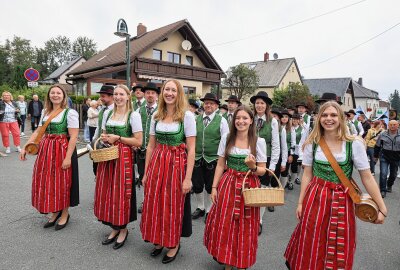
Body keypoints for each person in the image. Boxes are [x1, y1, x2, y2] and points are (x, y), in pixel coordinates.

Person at [284, 101, 387, 270]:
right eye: (324, 115)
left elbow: (367, 177)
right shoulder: (313, 142)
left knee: (339, 241)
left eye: (333, 115)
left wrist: (382, 208)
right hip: (316, 197)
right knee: (312, 240)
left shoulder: (353, 144)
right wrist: (301, 202)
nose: (328, 119)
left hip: (342, 199)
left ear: (340, 118)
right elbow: (307, 174)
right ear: (319, 119)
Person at [204, 106, 267, 270]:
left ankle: (241, 260)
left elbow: (262, 171)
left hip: (249, 187)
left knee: (245, 226)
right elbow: (219, 165)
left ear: (251, 120)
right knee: (226, 223)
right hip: (228, 184)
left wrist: (253, 167)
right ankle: (227, 260)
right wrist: (214, 187)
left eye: (245, 118)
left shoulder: (258, 142)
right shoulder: (227, 138)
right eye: (238, 118)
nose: (241, 121)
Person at [140, 79, 195, 264]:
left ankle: (173, 243)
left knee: (172, 204)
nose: (169, 93)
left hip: (176, 165)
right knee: (155, 201)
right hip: (157, 162)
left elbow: (192, 149)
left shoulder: (187, 116)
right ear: (162, 92)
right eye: (166, 90)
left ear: (179, 94)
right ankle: (158, 239)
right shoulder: (157, 114)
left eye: (173, 90)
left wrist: (188, 178)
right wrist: (146, 173)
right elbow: (150, 146)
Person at [20, 84, 80, 230]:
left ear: (63, 96)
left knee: (63, 182)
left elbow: (73, 137)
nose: (55, 95)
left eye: (58, 93)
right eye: (52, 93)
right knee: (48, 182)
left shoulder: (70, 113)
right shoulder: (45, 112)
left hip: (62, 150)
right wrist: (25, 146)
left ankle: (64, 213)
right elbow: (38, 132)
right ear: (49, 96)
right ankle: (55, 212)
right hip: (46, 151)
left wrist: (67, 158)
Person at [94, 84, 143, 250]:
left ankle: (123, 230)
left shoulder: (133, 115)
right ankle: (114, 227)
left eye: (121, 94)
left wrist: (118, 138)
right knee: (108, 191)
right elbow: (104, 133)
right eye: (115, 94)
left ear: (128, 96)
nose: (118, 97)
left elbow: (138, 141)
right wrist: (105, 137)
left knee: (121, 193)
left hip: (123, 158)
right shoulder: (108, 112)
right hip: (108, 156)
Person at [192, 93, 229, 222]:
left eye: (211, 103)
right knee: (197, 184)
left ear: (216, 106)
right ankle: (200, 207)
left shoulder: (222, 120)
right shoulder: (196, 119)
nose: (208, 105)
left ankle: (209, 210)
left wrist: (224, 160)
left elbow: (226, 141)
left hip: (213, 158)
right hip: (197, 157)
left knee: (210, 186)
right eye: (206, 103)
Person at [250, 91, 280, 229]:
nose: (259, 105)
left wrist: (273, 165)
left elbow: (275, 144)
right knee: (250, 187)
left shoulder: (272, 121)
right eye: (257, 103)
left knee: (262, 190)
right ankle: (249, 215)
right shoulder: (250, 118)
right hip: (250, 157)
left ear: (267, 105)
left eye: (262, 103)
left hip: (265, 158)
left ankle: (259, 220)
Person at [136, 82, 159, 214]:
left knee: (155, 178)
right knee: (144, 177)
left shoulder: (161, 111)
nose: (150, 95)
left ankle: (154, 201)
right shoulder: (139, 110)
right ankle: (146, 200)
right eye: (148, 93)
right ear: (144, 95)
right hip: (141, 150)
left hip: (156, 152)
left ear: (156, 96)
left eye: (153, 93)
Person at [91, 85, 115, 176]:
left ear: (111, 96)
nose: (101, 98)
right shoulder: (102, 110)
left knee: (107, 172)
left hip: (109, 146)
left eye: (103, 96)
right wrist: (93, 141)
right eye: (101, 96)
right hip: (99, 144)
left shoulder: (115, 110)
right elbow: (98, 127)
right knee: (96, 169)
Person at [374, 120, 400, 198]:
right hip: (384, 156)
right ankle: (383, 190)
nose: (392, 126)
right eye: (391, 124)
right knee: (383, 174)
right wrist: (375, 156)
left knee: (393, 175)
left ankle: (389, 185)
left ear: (398, 125)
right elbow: (377, 146)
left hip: (396, 157)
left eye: (394, 124)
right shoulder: (382, 134)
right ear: (388, 125)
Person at [279, 109, 296, 189]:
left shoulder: (291, 129)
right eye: (282, 117)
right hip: (278, 152)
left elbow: (293, 142)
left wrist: (291, 155)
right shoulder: (277, 126)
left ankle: (282, 187)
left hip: (288, 151)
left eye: (286, 117)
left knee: (285, 170)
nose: (284, 118)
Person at [289, 113, 303, 189]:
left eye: (296, 119)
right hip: (290, 149)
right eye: (293, 119)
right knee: (289, 165)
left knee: (297, 165)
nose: (294, 120)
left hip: (298, 150)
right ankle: (289, 179)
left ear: (299, 120)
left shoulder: (302, 129)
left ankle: (294, 179)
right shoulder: (289, 128)